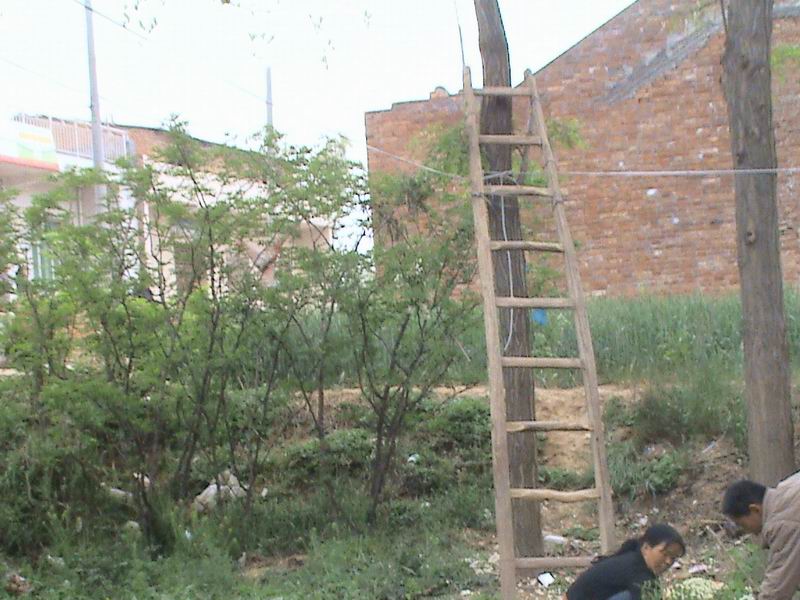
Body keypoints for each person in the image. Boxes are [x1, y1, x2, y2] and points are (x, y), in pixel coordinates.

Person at [722, 472, 800, 599]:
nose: (746, 531)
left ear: (755, 510)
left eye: (742, 524)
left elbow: (777, 589)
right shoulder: (788, 488)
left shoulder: (782, 523)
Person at [565, 523, 685, 600]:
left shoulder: (636, 561)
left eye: (673, 557)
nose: (668, 561)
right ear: (646, 548)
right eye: (665, 554)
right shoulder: (636, 570)